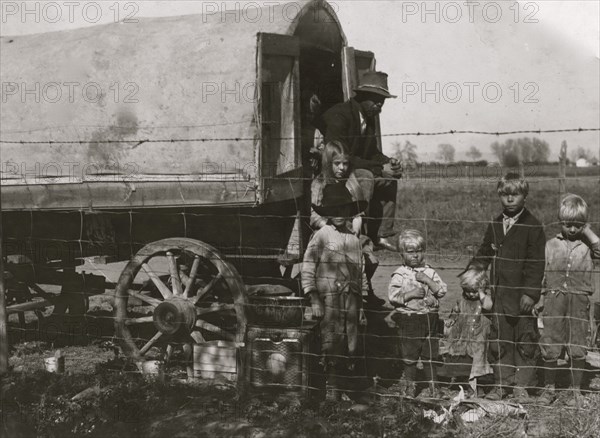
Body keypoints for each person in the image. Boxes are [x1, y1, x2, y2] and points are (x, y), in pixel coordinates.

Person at [466, 173, 546, 403]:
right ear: (500, 195)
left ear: (525, 195)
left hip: (522, 298)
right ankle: (502, 384)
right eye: (505, 194)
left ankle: (521, 386)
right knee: (499, 342)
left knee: (525, 343)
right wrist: (470, 277)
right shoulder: (495, 223)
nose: (510, 199)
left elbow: (535, 264)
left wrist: (531, 293)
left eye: (515, 194)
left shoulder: (533, 226)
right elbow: (484, 252)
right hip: (500, 297)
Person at [319, 71, 401, 251]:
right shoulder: (340, 115)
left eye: (383, 100)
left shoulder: (367, 118)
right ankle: (358, 234)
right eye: (376, 99)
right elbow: (340, 157)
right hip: (337, 169)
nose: (380, 104)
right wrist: (380, 168)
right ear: (362, 97)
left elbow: (371, 153)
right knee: (366, 177)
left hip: (353, 167)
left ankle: (381, 235)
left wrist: (390, 162)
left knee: (389, 180)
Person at [301, 182, 369, 401]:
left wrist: (361, 306)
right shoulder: (322, 235)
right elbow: (308, 266)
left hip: (351, 300)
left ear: (350, 211)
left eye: (343, 209)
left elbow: (361, 273)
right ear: (327, 213)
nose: (339, 214)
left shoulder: (354, 240)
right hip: (329, 299)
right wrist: (314, 298)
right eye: (334, 210)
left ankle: (344, 387)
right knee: (331, 340)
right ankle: (330, 390)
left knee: (350, 341)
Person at [536, 194, 600, 406]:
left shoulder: (588, 248)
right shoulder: (551, 244)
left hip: (579, 300)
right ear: (560, 221)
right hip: (554, 298)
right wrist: (540, 299)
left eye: (577, 225)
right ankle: (549, 388)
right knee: (551, 341)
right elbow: (542, 274)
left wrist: (588, 232)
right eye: (568, 224)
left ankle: (575, 391)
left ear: (584, 225)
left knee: (578, 343)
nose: (572, 229)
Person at [311, 140, 384, 306]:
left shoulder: (351, 182)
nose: (342, 168)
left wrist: (358, 218)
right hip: (326, 231)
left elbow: (357, 208)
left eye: (345, 164)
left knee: (369, 258)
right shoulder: (319, 184)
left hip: (349, 230)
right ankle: (331, 292)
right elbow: (314, 215)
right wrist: (328, 226)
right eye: (337, 164)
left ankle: (360, 287)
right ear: (328, 163)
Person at [385, 229, 447, 398]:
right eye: (410, 252)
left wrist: (428, 281)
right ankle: (410, 385)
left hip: (429, 318)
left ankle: (434, 386)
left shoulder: (430, 272)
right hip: (409, 319)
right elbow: (393, 297)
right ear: (401, 254)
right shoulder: (399, 274)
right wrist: (411, 294)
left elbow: (441, 291)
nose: (415, 256)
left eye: (419, 251)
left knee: (430, 353)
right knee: (410, 354)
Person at [444, 269, 493, 398]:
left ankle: (478, 387)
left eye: (474, 291)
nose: (471, 294)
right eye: (467, 291)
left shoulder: (484, 300)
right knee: (466, 360)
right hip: (464, 336)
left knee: (479, 361)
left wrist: (481, 293)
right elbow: (455, 311)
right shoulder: (461, 300)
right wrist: (451, 319)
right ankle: (467, 384)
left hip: (479, 337)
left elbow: (488, 306)